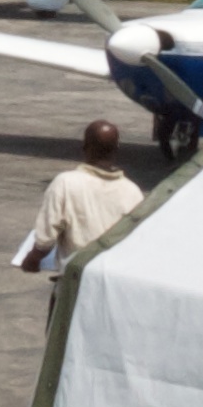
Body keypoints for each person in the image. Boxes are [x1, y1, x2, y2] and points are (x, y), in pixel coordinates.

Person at [16, 120, 146, 284]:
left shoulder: (66, 183)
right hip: (114, 280)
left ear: (85, 147)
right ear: (116, 149)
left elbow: (47, 237)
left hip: (76, 279)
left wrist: (33, 259)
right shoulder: (133, 192)